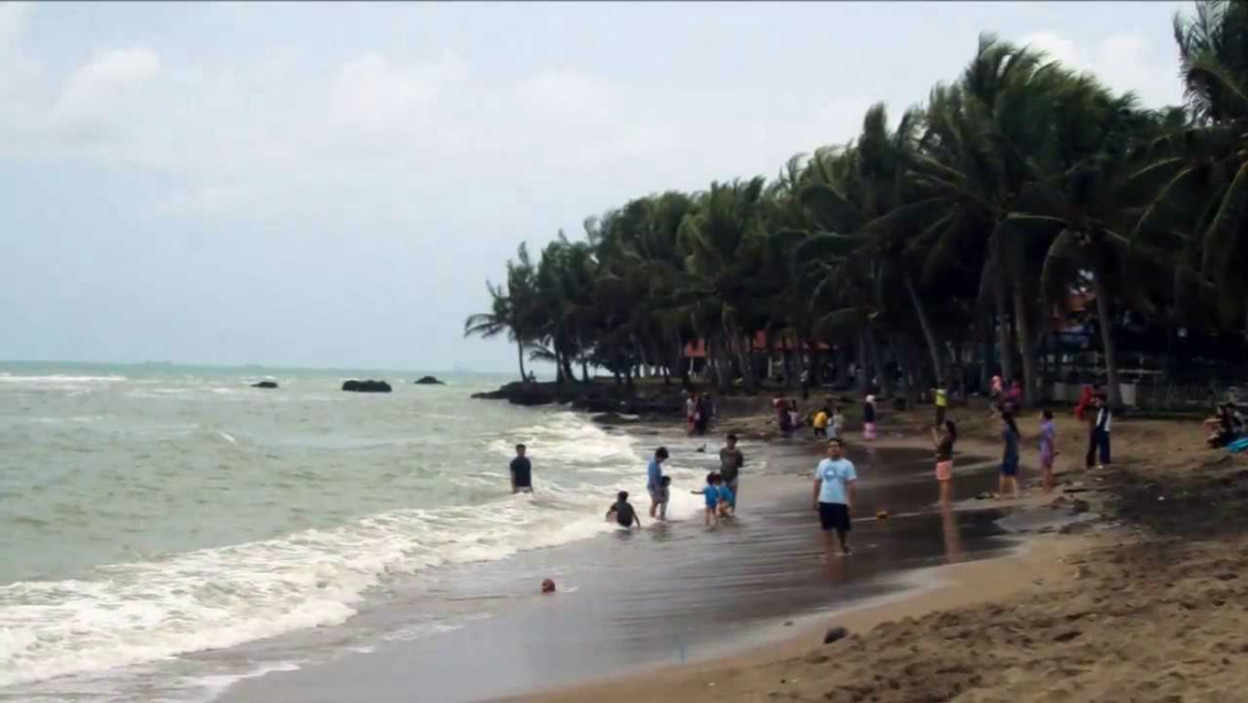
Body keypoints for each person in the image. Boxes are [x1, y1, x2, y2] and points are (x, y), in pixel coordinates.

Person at [813, 438, 858, 556]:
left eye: (836, 446)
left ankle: (843, 545)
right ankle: (829, 550)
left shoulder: (847, 465)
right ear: (827, 450)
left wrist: (852, 503)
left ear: (841, 449)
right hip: (825, 500)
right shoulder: (822, 463)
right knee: (826, 527)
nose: (833, 448)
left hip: (840, 501)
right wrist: (815, 499)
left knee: (841, 528)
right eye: (831, 446)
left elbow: (852, 485)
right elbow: (817, 481)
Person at [931, 419, 957, 504]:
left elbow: (938, 445)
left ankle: (944, 499)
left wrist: (934, 434)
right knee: (944, 480)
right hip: (944, 460)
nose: (942, 426)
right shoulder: (948, 436)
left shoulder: (948, 437)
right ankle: (945, 498)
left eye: (943, 425)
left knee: (944, 481)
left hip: (944, 460)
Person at [1086, 395, 1111, 469]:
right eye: (1096, 401)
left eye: (1098, 401)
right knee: (1092, 447)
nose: (1097, 403)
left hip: (1102, 430)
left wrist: (1106, 430)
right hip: (1095, 429)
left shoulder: (1105, 410)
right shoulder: (1094, 409)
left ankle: (1104, 462)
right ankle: (1090, 463)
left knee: (1104, 447)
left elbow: (1106, 421)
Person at [1000, 414, 1021, 499]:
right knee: (1013, 475)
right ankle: (1016, 492)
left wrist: (1002, 457)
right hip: (1015, 454)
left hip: (1008, 455)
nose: (1000, 422)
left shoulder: (1005, 430)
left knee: (1003, 475)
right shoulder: (1013, 429)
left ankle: (1002, 494)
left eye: (1001, 420)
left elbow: (1004, 445)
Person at [718, 434, 745, 501]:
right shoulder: (722, 451)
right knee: (722, 496)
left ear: (735, 442)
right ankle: (722, 510)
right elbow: (722, 460)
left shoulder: (738, 453)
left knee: (732, 496)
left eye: (731, 441)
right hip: (723, 476)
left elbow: (740, 464)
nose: (729, 443)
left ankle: (731, 510)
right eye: (728, 441)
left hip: (733, 476)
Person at [647, 447, 669, 518]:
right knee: (655, 503)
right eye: (663, 459)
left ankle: (653, 518)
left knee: (655, 503)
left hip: (652, 486)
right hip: (654, 487)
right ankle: (656, 517)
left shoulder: (653, 463)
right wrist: (659, 489)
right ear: (659, 457)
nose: (663, 461)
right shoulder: (654, 466)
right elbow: (654, 479)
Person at [1039, 410, 1057, 494]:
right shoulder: (1051, 425)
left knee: (1045, 469)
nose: (1039, 417)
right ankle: (1049, 487)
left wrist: (1053, 449)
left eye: (1040, 415)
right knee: (1049, 468)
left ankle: (1046, 488)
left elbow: (1050, 439)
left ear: (1044, 417)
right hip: (1047, 448)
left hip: (1046, 449)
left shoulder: (1045, 427)